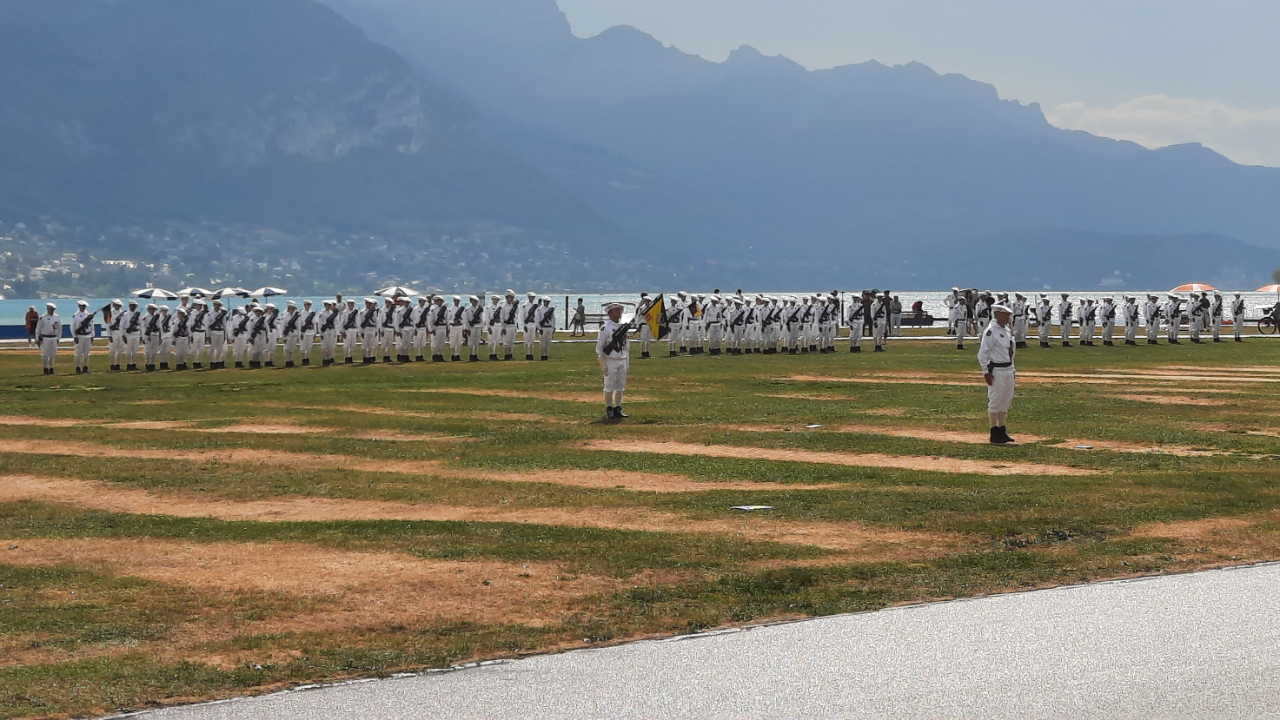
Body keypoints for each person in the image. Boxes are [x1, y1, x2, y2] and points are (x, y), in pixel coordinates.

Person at [978, 304, 1017, 444]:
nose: (1008, 318)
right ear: (997, 315)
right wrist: (985, 372)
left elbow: (1011, 353)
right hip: (997, 370)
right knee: (995, 401)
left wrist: (1013, 370)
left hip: (1008, 369)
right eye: (1005, 315)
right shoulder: (991, 332)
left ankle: (1002, 429)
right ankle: (994, 430)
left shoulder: (1006, 330)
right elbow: (983, 353)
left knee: (1006, 400)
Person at [596, 303, 631, 420]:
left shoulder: (623, 327)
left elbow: (626, 346)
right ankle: (609, 408)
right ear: (610, 313)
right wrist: (603, 364)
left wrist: (627, 360)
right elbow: (600, 348)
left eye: (620, 311)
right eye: (616, 311)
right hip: (611, 360)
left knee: (620, 386)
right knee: (609, 386)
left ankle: (618, 407)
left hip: (622, 359)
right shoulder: (605, 328)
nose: (619, 313)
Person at [36, 302, 61, 375]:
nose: (52, 310)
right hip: (45, 337)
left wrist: (58, 337)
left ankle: (51, 368)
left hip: (54, 337)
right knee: (45, 354)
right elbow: (38, 329)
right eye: (50, 309)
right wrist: (37, 339)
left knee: (53, 354)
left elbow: (59, 328)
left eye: (53, 309)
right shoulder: (42, 318)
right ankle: (45, 368)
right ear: (47, 309)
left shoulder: (57, 317)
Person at [71, 301, 94, 374]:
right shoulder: (75, 315)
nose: (83, 307)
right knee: (78, 353)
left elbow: (92, 326)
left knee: (86, 353)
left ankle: (85, 367)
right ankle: (77, 367)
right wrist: (74, 336)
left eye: (84, 306)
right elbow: (73, 326)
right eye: (81, 306)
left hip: (87, 335)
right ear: (79, 306)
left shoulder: (88, 315)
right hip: (80, 336)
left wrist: (92, 336)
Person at [208, 299, 228, 369]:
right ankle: (212, 362)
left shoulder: (222, 314)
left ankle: (217, 361)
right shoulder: (210, 314)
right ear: (214, 305)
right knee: (212, 349)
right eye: (216, 305)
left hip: (221, 332)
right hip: (213, 332)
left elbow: (225, 324)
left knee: (220, 349)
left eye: (218, 305)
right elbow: (208, 325)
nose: (217, 307)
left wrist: (226, 334)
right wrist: (208, 336)